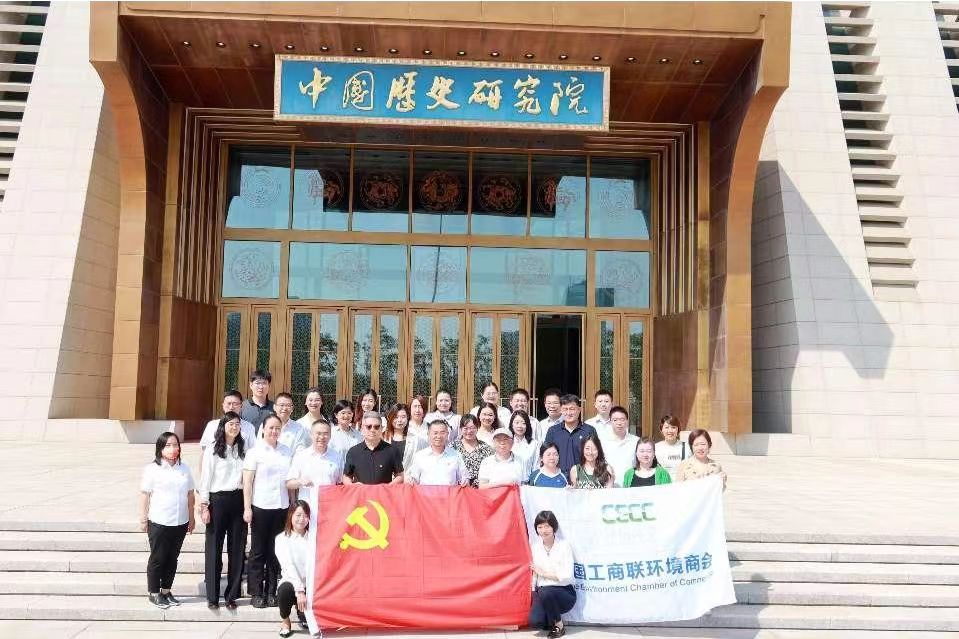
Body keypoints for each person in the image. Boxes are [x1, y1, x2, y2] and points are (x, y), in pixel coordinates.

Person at [138, 431, 194, 609]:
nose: (173, 449)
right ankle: (154, 593)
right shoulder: (152, 469)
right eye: (168, 445)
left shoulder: (184, 468)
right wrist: (143, 518)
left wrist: (191, 517)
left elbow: (190, 494)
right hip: (159, 521)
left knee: (172, 558)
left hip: (180, 521)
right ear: (160, 449)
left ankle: (166, 591)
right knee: (158, 557)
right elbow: (145, 495)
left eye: (175, 445)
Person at [243, 414, 293, 608]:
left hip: (281, 507)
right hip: (260, 506)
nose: (274, 431)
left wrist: (292, 505)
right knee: (258, 551)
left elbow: (290, 482)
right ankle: (256, 592)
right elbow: (248, 483)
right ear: (263, 429)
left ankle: (272, 591)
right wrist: (247, 508)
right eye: (270, 427)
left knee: (276, 551)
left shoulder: (286, 451)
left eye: (277, 428)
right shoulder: (254, 452)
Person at [197, 412, 247, 610]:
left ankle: (231, 596)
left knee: (237, 549)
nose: (234, 427)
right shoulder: (213, 449)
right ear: (223, 426)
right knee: (214, 549)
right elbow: (205, 478)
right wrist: (204, 505)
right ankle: (212, 596)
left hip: (238, 500)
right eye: (230, 424)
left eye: (237, 424)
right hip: (217, 501)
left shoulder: (243, 448)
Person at [528, 510, 575, 638]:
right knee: (535, 622)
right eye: (540, 527)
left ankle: (559, 625)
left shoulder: (564, 546)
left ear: (554, 527)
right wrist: (533, 592)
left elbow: (567, 575)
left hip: (564, 592)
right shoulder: (535, 547)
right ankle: (550, 618)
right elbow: (534, 573)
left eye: (547, 526)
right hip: (542, 592)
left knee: (546, 591)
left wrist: (544, 573)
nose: (543, 530)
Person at [276, 500, 312, 638]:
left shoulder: (313, 538)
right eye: (298, 515)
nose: (302, 519)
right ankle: (285, 621)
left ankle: (302, 612)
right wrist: (300, 591)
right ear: (291, 515)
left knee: (307, 620)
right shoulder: (281, 539)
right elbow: (288, 566)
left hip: (311, 584)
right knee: (284, 590)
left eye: (305, 515)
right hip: (292, 583)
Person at [199, 391, 257, 475]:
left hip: (239, 476)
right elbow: (204, 453)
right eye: (228, 403)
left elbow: (253, 453)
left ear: (241, 406)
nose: (231, 407)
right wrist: (201, 477)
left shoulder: (249, 427)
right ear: (223, 405)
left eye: (235, 404)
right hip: (217, 476)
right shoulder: (212, 425)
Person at [286, 419, 343, 504]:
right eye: (318, 433)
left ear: (330, 436)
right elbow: (289, 484)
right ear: (311, 435)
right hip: (307, 507)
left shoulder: (337, 457)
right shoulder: (301, 456)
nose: (322, 437)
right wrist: (300, 481)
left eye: (325, 434)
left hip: (330, 506)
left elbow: (341, 482)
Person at [543, 394, 598, 477]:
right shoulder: (553, 431)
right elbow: (546, 454)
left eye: (572, 409)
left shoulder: (589, 430)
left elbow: (596, 454)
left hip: (583, 477)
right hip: (558, 477)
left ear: (579, 410)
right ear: (561, 410)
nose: (568, 413)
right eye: (565, 409)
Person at [343, 411, 404, 485]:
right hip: (361, 492)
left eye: (376, 427)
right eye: (368, 427)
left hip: (384, 492)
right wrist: (352, 486)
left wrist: (388, 487)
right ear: (362, 429)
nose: (372, 430)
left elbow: (400, 476)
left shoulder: (392, 450)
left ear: (381, 429)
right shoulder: (353, 452)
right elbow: (346, 477)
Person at [405, 419, 470, 486]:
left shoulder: (456, 455)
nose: (439, 436)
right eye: (435, 433)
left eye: (442, 433)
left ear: (447, 434)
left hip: (449, 492)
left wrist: (465, 481)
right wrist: (410, 480)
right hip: (425, 492)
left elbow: (465, 477)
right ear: (428, 434)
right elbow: (414, 481)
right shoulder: (419, 456)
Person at [600, 406, 639, 487]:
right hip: (608, 487)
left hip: (631, 486)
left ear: (627, 421)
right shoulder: (603, 441)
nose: (619, 423)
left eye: (622, 419)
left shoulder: (636, 441)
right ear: (610, 422)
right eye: (615, 420)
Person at [452, 413, 494, 488]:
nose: (469, 431)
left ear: (477, 428)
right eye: (465, 428)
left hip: (480, 489)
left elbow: (491, 469)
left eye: (472, 428)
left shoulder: (486, 448)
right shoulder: (453, 447)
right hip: (458, 489)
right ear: (460, 429)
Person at [383, 403, 426, 472]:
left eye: (403, 417)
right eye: (396, 417)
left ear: (408, 418)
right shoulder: (382, 437)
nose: (399, 420)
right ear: (391, 418)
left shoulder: (415, 440)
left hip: (408, 477)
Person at [273, 392, 312, 457]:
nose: (284, 408)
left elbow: (300, 453)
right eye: (282, 405)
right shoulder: (266, 425)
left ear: (292, 409)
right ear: (274, 407)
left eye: (288, 405)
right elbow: (261, 447)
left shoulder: (299, 428)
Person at [655, 414, 688, 480]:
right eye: (667, 427)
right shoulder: (655, 448)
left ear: (678, 430)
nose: (670, 431)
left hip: (681, 484)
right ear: (661, 430)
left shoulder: (687, 447)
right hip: (662, 483)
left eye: (673, 427)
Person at [509, 410, 539, 479]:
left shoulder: (533, 444)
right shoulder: (508, 442)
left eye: (523, 423)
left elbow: (536, 466)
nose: (520, 426)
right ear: (512, 424)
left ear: (527, 425)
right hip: (510, 482)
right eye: (517, 423)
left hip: (527, 482)